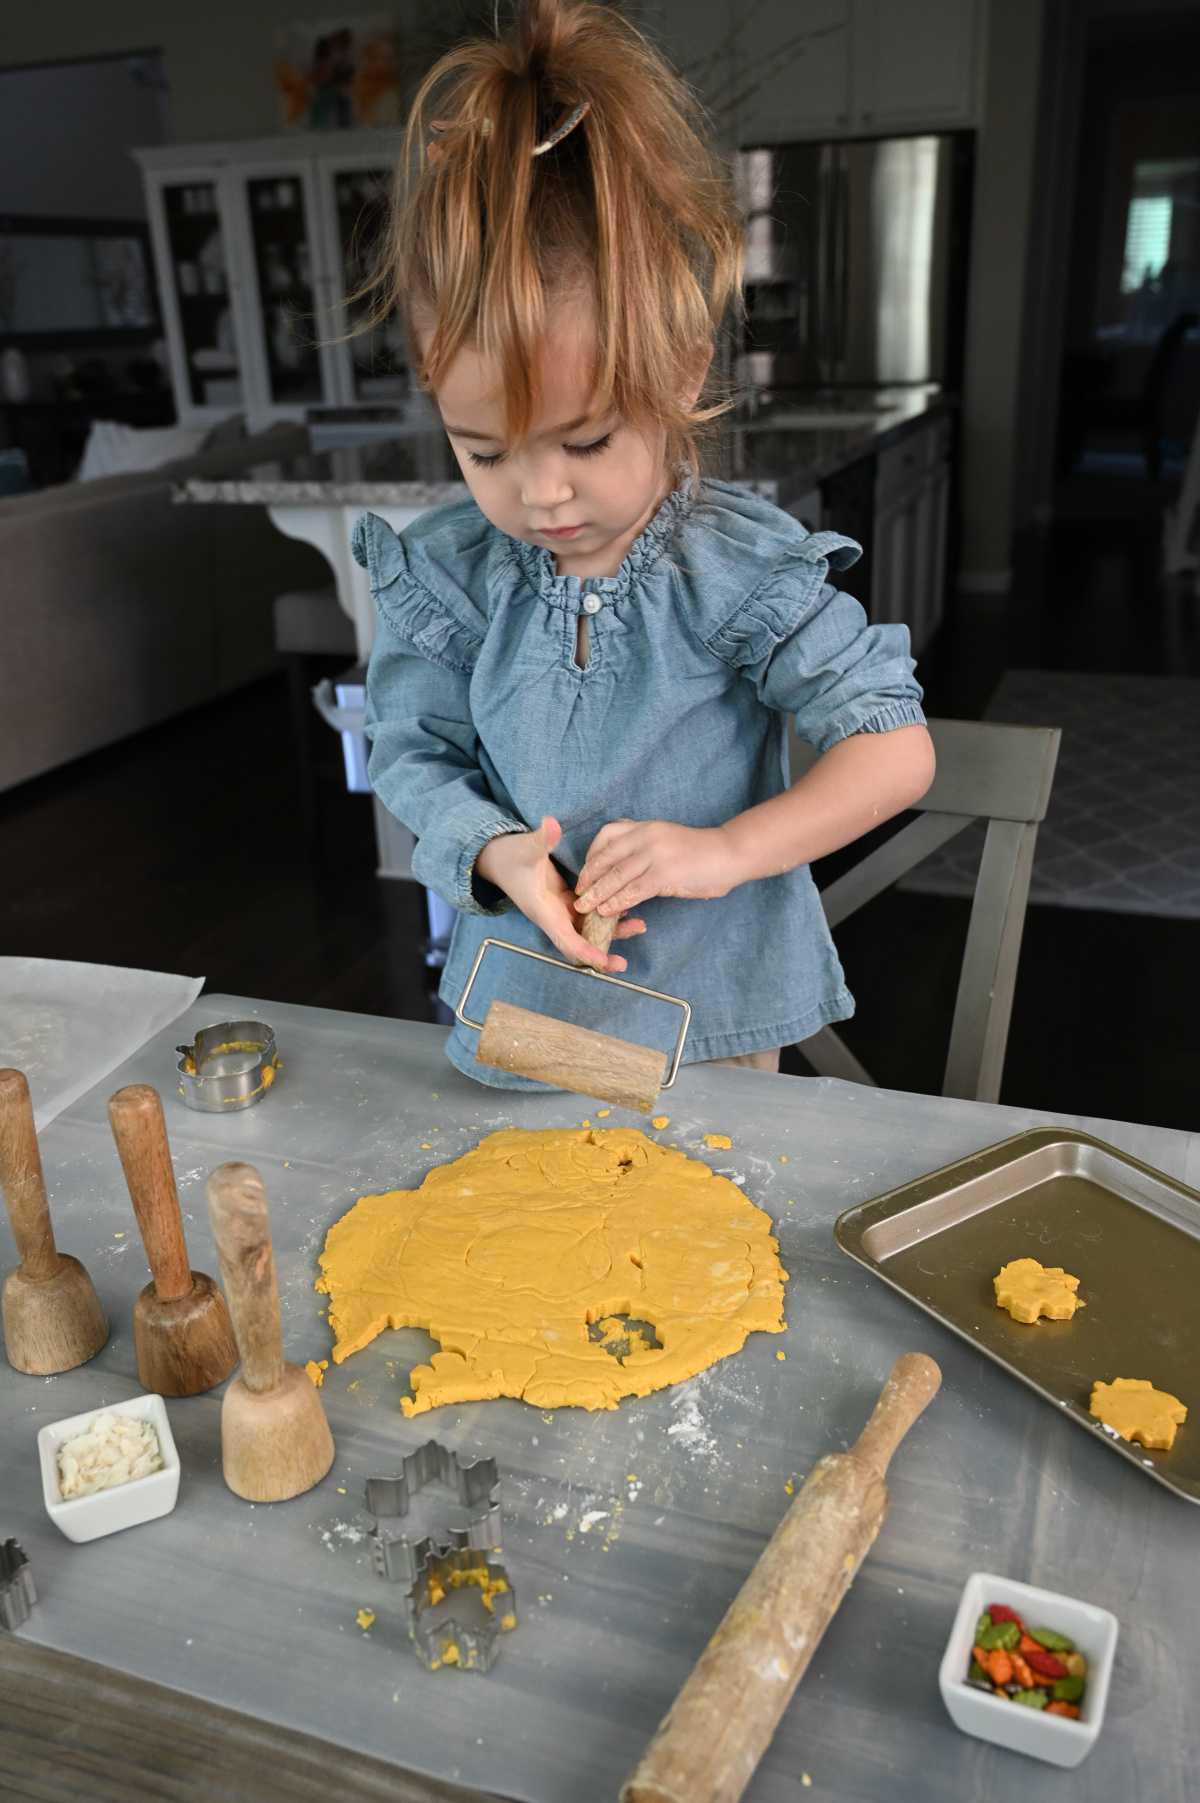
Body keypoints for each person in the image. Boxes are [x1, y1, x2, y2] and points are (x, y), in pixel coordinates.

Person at [350, 0, 935, 1089]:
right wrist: (492, 848)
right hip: (522, 1017)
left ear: (680, 371)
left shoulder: (738, 571)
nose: (541, 495)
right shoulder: (454, 574)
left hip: (710, 1023)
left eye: (586, 438)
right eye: (483, 452)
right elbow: (411, 754)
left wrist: (724, 854)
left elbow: (895, 752)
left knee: (698, 1243)